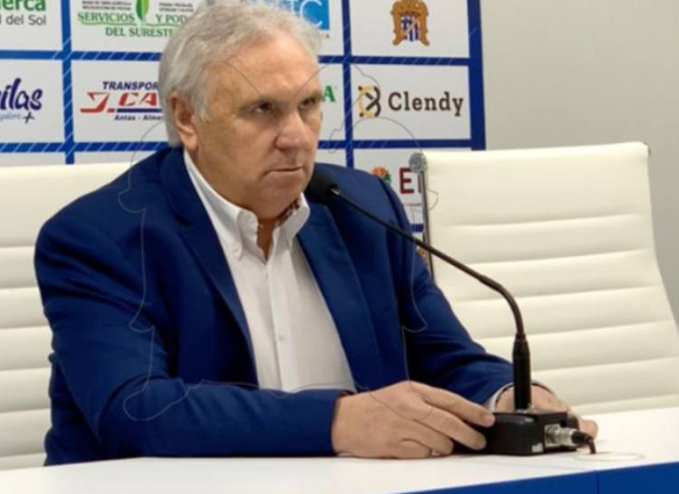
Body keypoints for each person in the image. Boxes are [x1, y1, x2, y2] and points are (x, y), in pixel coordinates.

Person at [35, 1, 596, 465]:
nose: (297, 136)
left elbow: (445, 358)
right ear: (187, 119)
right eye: (263, 110)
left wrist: (511, 397)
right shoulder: (102, 237)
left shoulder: (361, 207)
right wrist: (337, 421)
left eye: (308, 105)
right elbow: (137, 409)